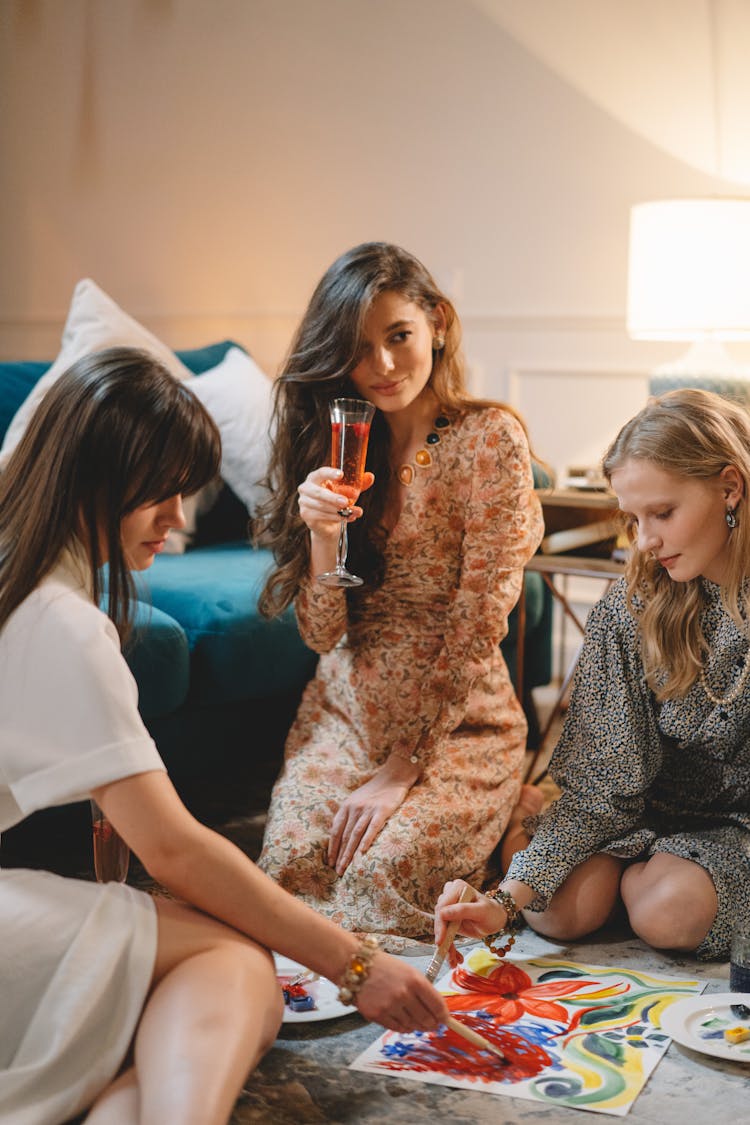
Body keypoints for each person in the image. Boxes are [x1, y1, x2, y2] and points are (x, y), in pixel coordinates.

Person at [0, 348, 448, 1125]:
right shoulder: (60, 621)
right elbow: (172, 847)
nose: (177, 522)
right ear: (99, 476)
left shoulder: (27, 580)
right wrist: (357, 961)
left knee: (189, 1008)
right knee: (235, 961)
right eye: (163, 493)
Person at [256, 241, 544, 943]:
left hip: (456, 731)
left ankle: (508, 810)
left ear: (438, 323)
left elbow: (480, 621)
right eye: (358, 348)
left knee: (373, 883)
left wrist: (404, 765)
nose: (381, 366)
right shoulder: (334, 443)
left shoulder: (489, 441)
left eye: (399, 336)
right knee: (289, 873)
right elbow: (324, 635)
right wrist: (321, 533)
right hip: (345, 717)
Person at [435, 387, 750, 964]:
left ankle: (632, 872)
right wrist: (504, 901)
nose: (646, 541)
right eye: (632, 518)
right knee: (555, 913)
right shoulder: (631, 606)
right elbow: (603, 784)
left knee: (666, 913)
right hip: (636, 807)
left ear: (730, 487)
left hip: (738, 829)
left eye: (663, 513)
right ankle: (523, 825)